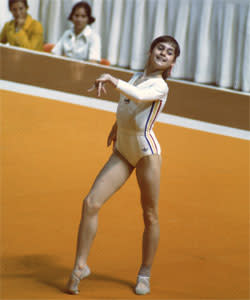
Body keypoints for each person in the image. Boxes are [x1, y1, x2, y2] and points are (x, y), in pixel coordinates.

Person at [67, 35, 180, 295]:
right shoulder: (135, 76)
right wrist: (117, 126)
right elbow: (129, 104)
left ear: (172, 62)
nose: (163, 53)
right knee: (90, 203)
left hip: (145, 154)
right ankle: (80, 266)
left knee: (149, 215)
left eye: (170, 52)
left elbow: (139, 97)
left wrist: (111, 78)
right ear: (150, 50)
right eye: (160, 48)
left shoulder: (160, 86)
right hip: (122, 150)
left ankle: (145, 273)